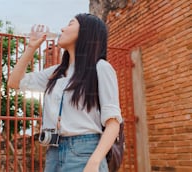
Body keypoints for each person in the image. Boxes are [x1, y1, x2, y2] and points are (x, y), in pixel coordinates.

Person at [8, 13, 122, 172]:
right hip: (54, 150)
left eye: (70, 24)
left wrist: (95, 162)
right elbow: (14, 82)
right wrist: (31, 47)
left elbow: (113, 123)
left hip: (85, 150)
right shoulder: (56, 72)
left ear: (85, 32)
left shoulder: (100, 67)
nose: (62, 29)